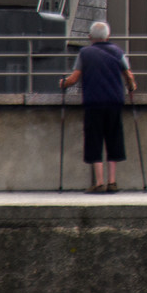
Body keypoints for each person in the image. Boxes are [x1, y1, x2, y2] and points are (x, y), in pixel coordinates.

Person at [58, 20, 136, 193]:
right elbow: (128, 75)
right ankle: (112, 182)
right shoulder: (117, 51)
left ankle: (99, 183)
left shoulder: (84, 53)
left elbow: (74, 78)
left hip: (94, 103)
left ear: (89, 37)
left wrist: (63, 83)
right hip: (114, 102)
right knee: (113, 138)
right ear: (108, 36)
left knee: (94, 140)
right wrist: (131, 86)